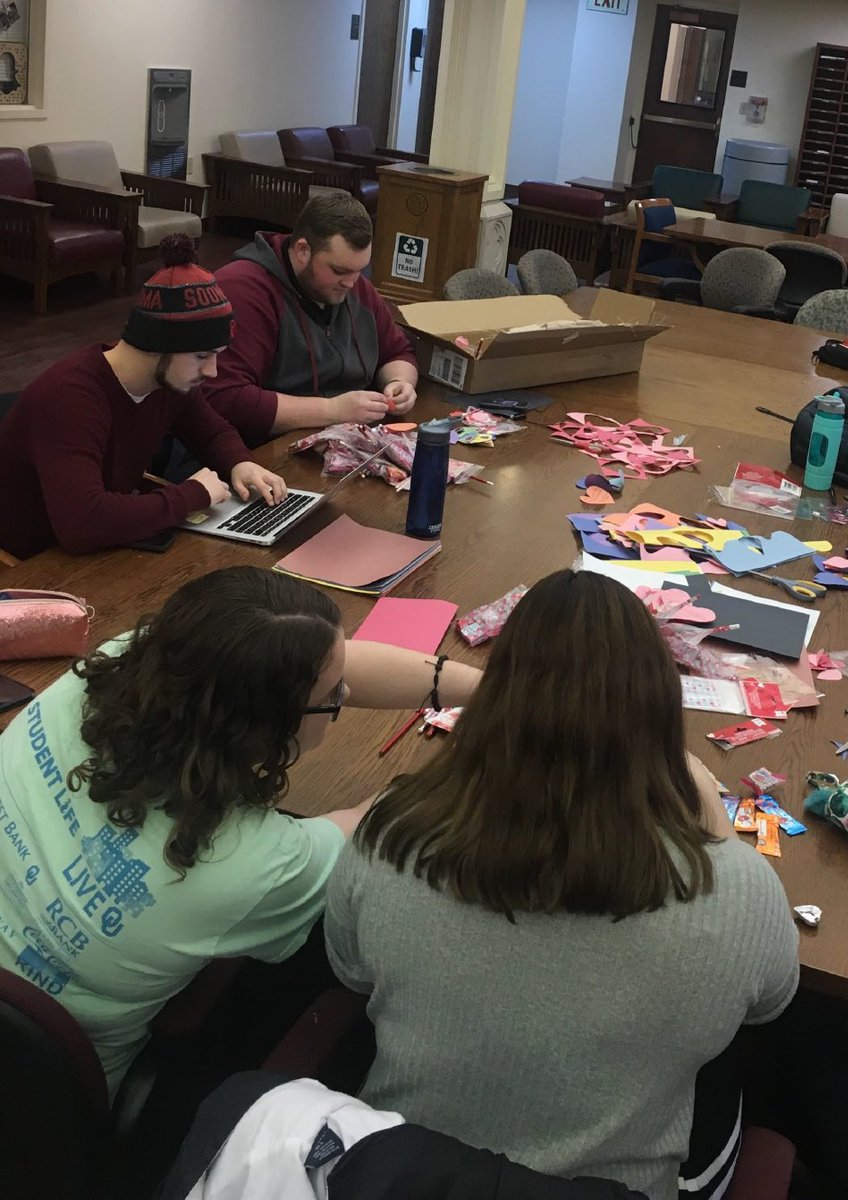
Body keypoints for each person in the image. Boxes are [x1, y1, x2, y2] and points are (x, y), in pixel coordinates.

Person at [324, 569, 799, 1200]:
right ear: (658, 708)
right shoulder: (738, 891)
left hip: (407, 1178)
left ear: (493, 703)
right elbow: (771, 1004)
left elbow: (351, 971)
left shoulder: (389, 836)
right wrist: (706, 801)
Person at [0, 566, 481, 1097]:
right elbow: (379, 814)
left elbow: (301, 666)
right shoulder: (249, 862)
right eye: (333, 696)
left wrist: (484, 691)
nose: (346, 693)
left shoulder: (118, 668)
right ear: (270, 724)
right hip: (60, 1104)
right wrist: (492, 744)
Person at [0, 236, 286, 559]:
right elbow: (82, 524)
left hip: (98, 551)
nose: (212, 371)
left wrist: (241, 463)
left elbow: (213, 432)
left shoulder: (171, 383)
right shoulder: (69, 398)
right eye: (202, 355)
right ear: (157, 345)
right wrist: (191, 495)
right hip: (30, 565)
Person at [205, 192, 419, 447]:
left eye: (360, 270)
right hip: (257, 453)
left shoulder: (355, 287)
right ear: (303, 250)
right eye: (339, 270)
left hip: (340, 442)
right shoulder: (244, 289)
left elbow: (397, 352)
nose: (351, 282)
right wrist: (331, 410)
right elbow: (226, 398)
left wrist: (400, 383)